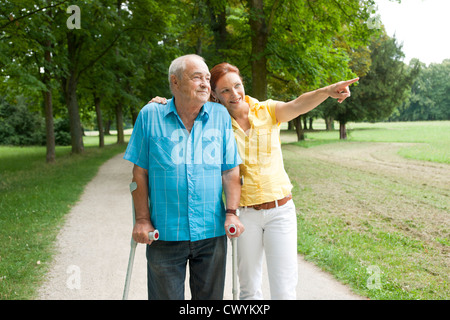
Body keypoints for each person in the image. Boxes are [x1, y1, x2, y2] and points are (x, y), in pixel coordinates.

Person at [151, 61, 358, 299]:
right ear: (215, 96)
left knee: (284, 290)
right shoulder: (213, 123)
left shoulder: (267, 111)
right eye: (225, 90)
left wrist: (327, 91)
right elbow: (183, 106)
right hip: (244, 214)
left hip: (280, 211)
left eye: (237, 86)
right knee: (248, 290)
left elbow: (298, 105)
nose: (234, 94)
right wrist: (161, 104)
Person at [123, 54, 244, 300]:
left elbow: (230, 170)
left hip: (211, 232)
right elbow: (140, 172)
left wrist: (231, 213)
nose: (204, 84)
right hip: (165, 233)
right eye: (196, 77)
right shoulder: (150, 116)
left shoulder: (220, 116)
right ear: (175, 83)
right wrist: (142, 219)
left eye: (207, 78)